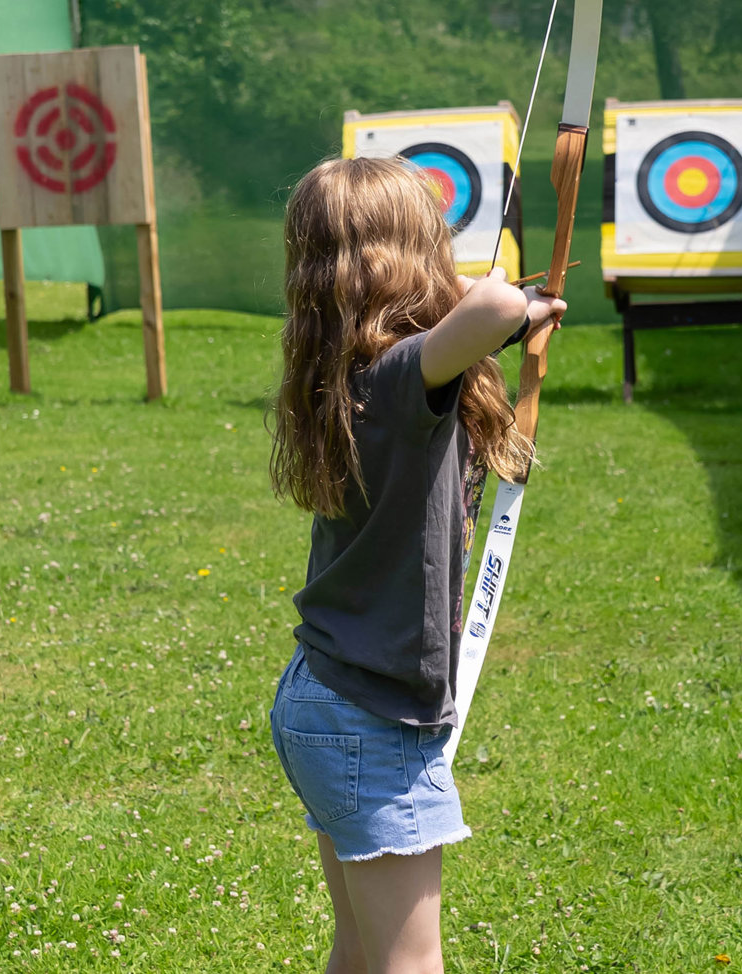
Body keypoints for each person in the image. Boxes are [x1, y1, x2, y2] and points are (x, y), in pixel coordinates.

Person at [267, 156, 566, 974]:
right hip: (369, 718)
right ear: (412, 257)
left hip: (326, 695)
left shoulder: (344, 372)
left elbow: (488, 316)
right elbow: (498, 305)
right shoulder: (402, 376)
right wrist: (512, 300)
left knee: (362, 954)